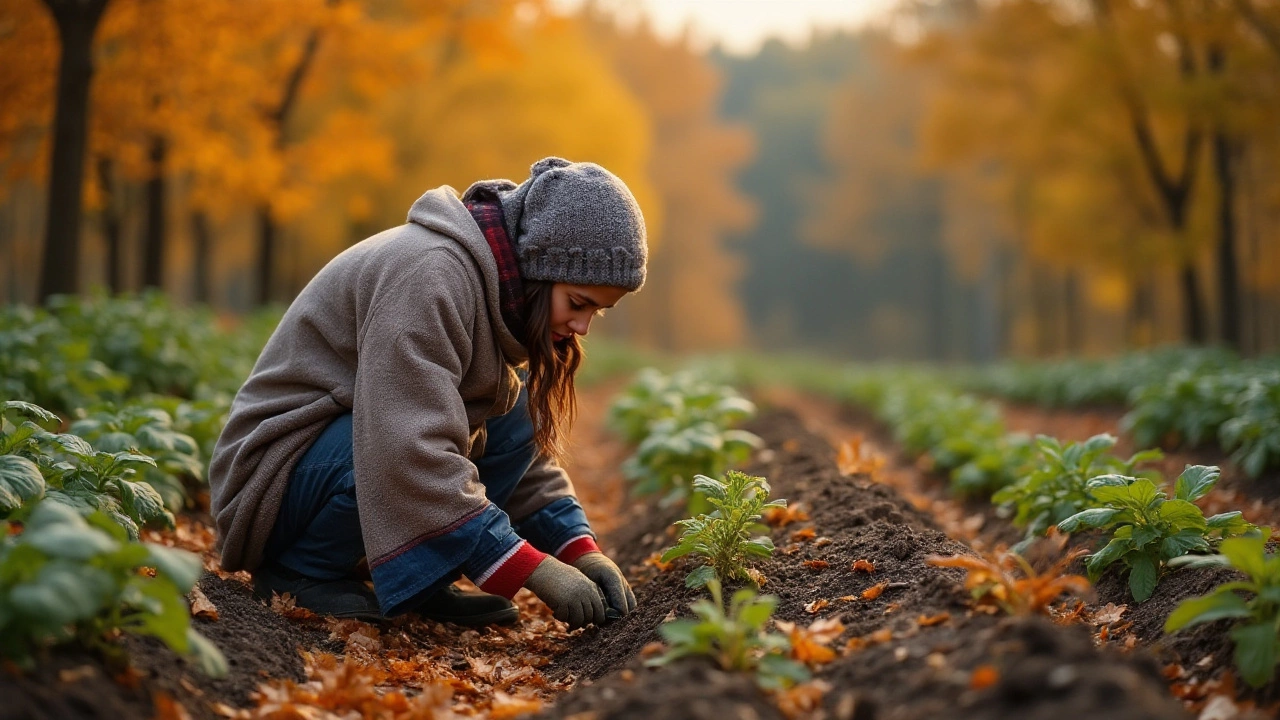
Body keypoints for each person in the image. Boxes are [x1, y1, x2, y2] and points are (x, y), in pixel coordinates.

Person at [208, 157, 644, 629]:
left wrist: (579, 549)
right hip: (272, 480)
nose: (581, 326)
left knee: (514, 408)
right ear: (537, 268)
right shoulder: (431, 274)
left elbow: (522, 458)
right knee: (402, 439)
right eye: (577, 303)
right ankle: (300, 571)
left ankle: (424, 576)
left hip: (343, 450)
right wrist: (533, 570)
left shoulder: (491, 292)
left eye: (596, 313)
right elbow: (406, 448)